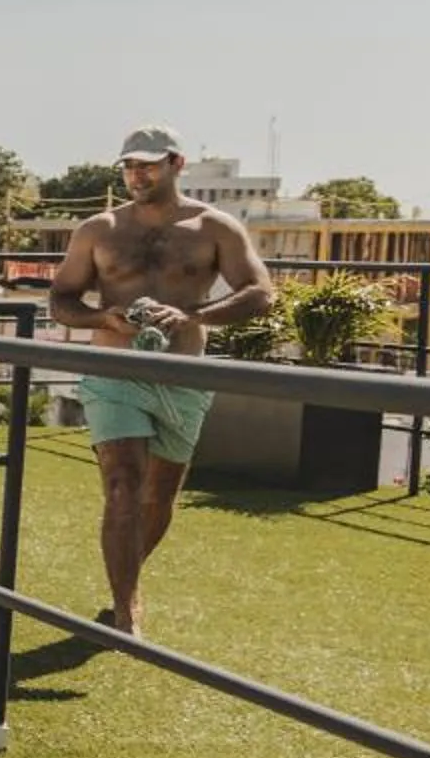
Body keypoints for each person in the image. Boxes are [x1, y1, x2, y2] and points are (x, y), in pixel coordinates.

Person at [48, 125, 276, 634]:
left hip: (182, 373)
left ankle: (126, 582)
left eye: (148, 164)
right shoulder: (98, 229)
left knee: (159, 496)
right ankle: (126, 612)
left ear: (176, 163)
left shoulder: (214, 226)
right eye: (129, 165)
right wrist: (102, 319)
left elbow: (260, 291)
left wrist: (194, 316)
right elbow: (61, 299)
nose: (137, 174)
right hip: (115, 369)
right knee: (122, 484)